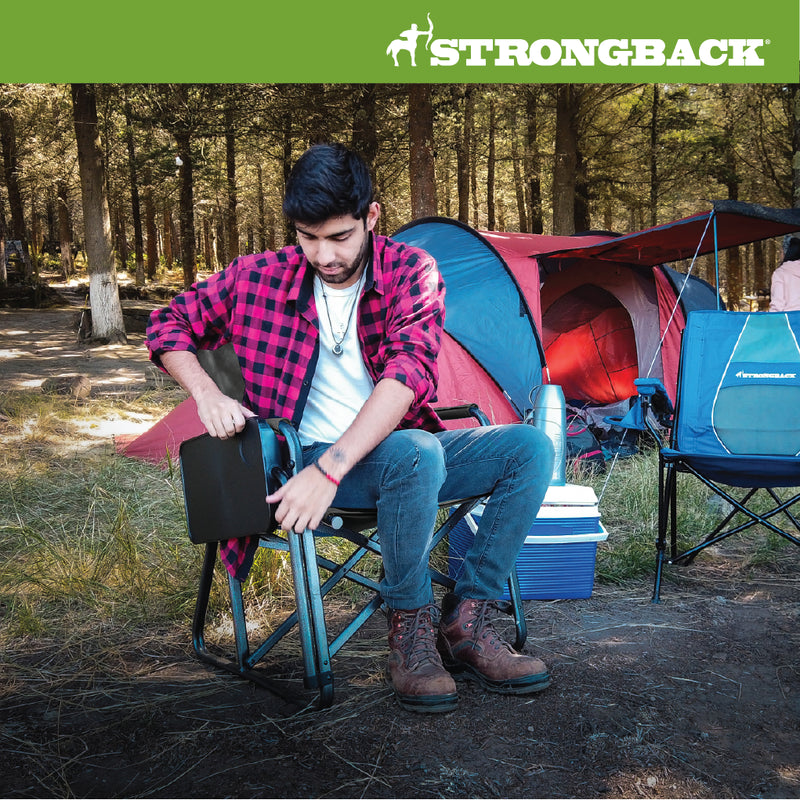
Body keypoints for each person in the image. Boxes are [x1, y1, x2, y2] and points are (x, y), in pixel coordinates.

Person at [146, 143, 555, 714]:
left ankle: (468, 621)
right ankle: (409, 636)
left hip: (377, 457)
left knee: (529, 448)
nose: (323, 255)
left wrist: (331, 468)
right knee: (416, 453)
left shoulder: (412, 271)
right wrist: (208, 393)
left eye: (339, 237)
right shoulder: (257, 275)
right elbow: (168, 323)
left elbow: (409, 373)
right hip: (301, 461)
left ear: (372, 217)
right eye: (308, 237)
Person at [770, 237, 800, 312]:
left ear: (787, 253)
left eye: (780, 252)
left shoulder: (780, 273)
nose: (779, 255)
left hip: (790, 319)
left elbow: (777, 304)